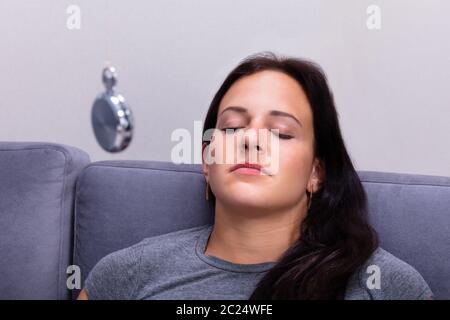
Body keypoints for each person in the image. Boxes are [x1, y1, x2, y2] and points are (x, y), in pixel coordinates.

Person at [78, 52, 433, 300]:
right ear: (207, 160)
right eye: (232, 127)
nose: (251, 139)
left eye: (280, 132)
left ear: (316, 173)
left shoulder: (384, 284)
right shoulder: (126, 274)